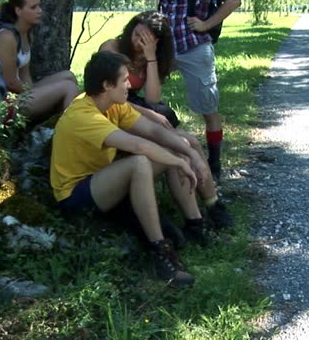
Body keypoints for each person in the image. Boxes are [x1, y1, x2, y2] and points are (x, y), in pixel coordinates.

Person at [69, 0, 241, 180]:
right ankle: (121, 131)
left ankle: (214, 163)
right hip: (165, 49)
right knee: (138, 90)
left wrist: (205, 24)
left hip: (195, 47)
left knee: (208, 107)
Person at [50, 51, 219, 287]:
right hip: (75, 195)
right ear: (107, 85)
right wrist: (181, 162)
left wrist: (189, 153)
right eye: (124, 80)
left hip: (103, 179)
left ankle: (196, 224)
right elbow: (137, 145)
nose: (130, 84)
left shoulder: (113, 104)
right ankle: (161, 253)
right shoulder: (83, 114)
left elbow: (153, 132)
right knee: (141, 162)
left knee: (175, 149)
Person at [100, 11, 234, 232]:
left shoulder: (151, 56)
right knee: (179, 148)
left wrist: (150, 56)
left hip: (135, 105)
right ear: (129, 29)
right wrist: (150, 114)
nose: (138, 41)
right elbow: (108, 97)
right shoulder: (112, 48)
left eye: (146, 38)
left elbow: (153, 97)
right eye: (136, 35)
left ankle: (213, 204)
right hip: (114, 108)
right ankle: (196, 221)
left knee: (191, 142)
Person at [0, 0, 79, 121]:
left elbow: (25, 75)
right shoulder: (6, 37)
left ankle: (58, 125)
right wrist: (35, 94)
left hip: (16, 95)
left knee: (68, 76)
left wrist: (39, 94)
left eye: (39, 6)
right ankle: (71, 134)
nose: (39, 11)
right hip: (0, 103)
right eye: (33, 8)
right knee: (68, 87)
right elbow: (11, 83)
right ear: (18, 10)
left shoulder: (26, 34)